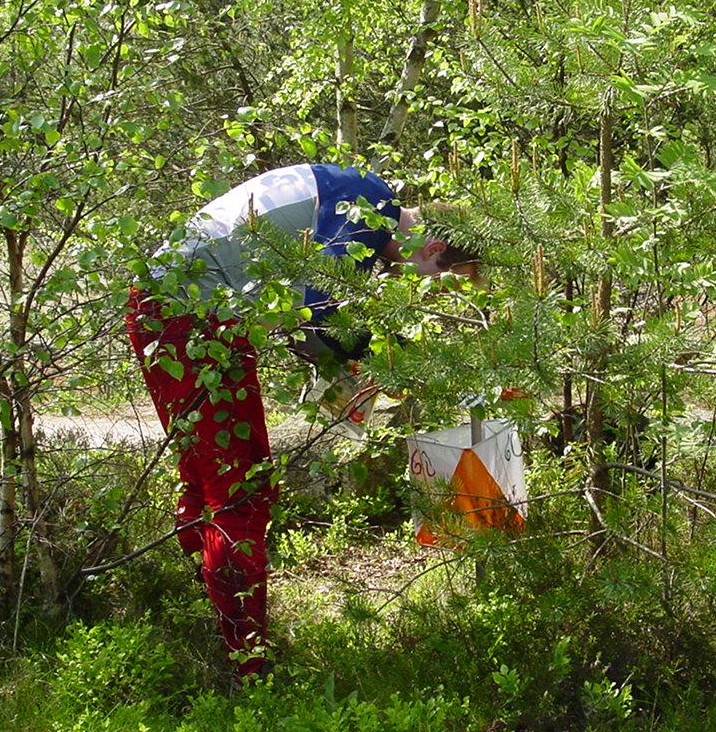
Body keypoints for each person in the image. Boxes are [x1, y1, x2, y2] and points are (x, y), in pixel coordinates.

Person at [125, 163, 477, 677]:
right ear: (434, 252)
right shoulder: (370, 203)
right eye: (441, 282)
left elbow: (306, 315)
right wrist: (393, 355)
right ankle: (248, 666)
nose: (426, 293)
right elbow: (322, 311)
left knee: (207, 477)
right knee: (240, 489)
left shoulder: (355, 194)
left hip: (178, 308)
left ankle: (186, 615)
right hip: (187, 315)